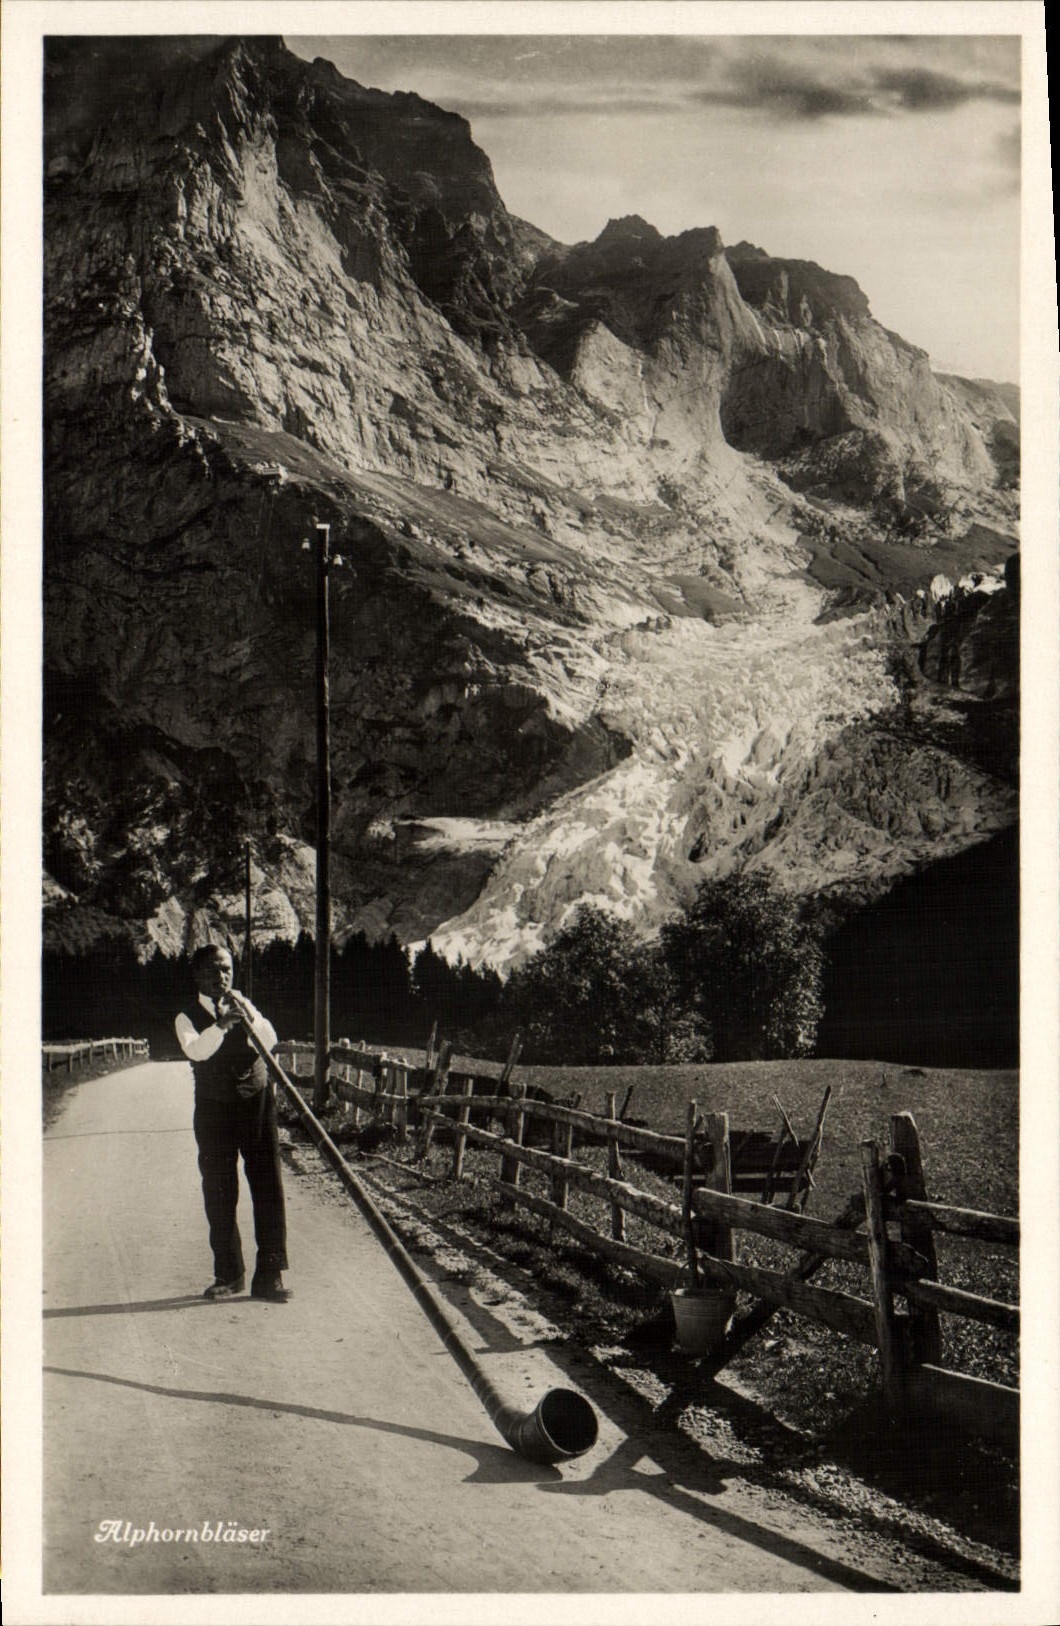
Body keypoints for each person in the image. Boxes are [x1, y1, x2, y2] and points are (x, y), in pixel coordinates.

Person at [174, 943, 291, 1303]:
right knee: (220, 1190)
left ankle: (269, 1276)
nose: (221, 977)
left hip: (256, 1101)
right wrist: (222, 1025)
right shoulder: (186, 1017)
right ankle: (229, 1274)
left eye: (226, 969)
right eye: (212, 970)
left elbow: (269, 1041)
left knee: (268, 1185)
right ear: (197, 975)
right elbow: (197, 1051)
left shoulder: (244, 1004)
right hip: (214, 1109)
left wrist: (247, 1014)